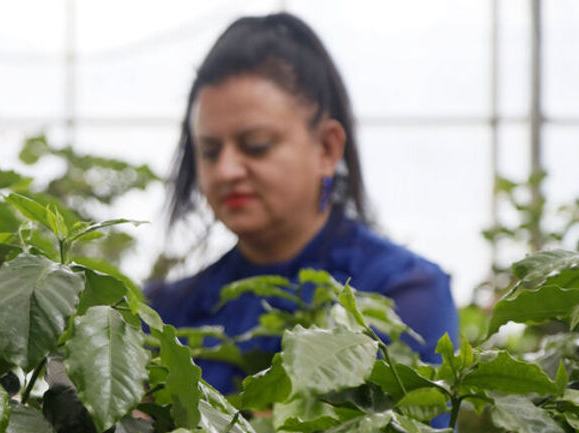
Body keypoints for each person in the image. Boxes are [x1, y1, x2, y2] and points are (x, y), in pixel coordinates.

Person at [145, 12, 459, 395]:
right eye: (210, 152)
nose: (226, 170)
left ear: (327, 148)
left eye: (256, 146)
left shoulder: (402, 295)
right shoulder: (169, 312)